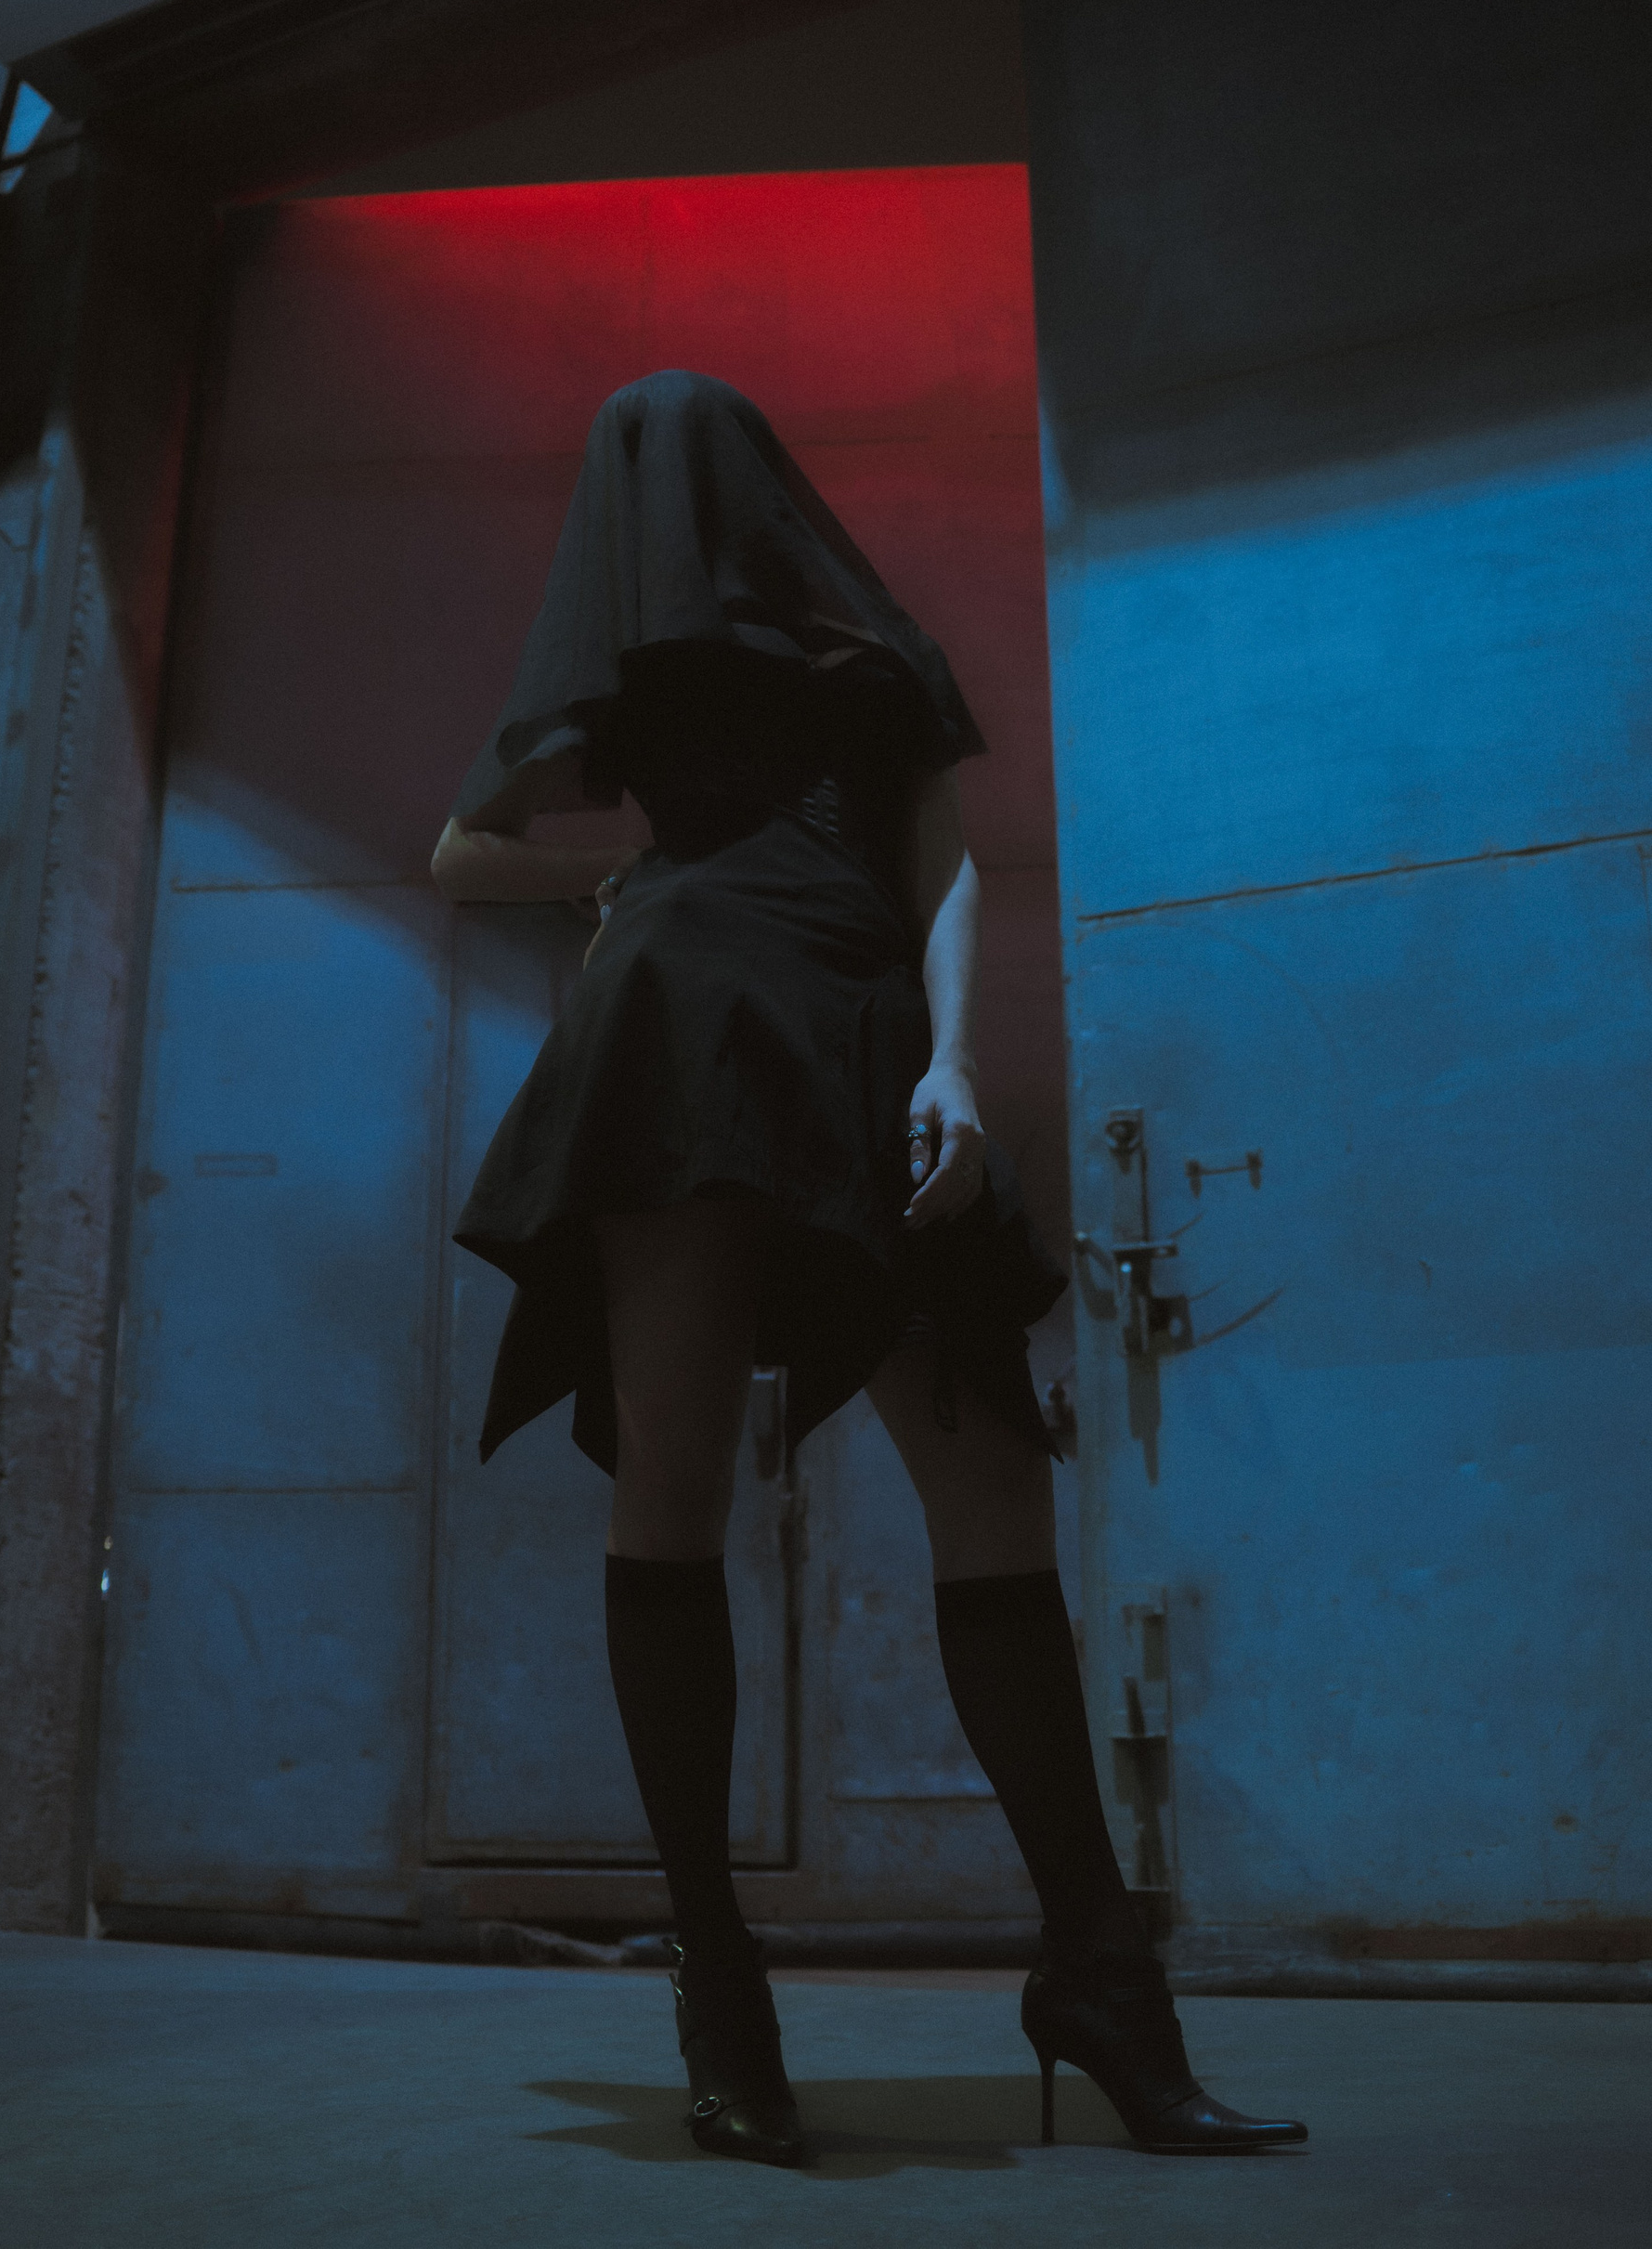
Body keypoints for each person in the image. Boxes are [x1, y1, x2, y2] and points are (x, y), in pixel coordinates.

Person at [432, 371, 1305, 2167]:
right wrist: (632, 871)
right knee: (674, 1491)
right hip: (681, 1042)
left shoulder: (864, 651)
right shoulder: (624, 679)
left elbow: (944, 860)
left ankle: (1100, 1972)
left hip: (860, 1045)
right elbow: (458, 848)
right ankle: (721, 1983)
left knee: (992, 1493)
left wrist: (957, 1061)